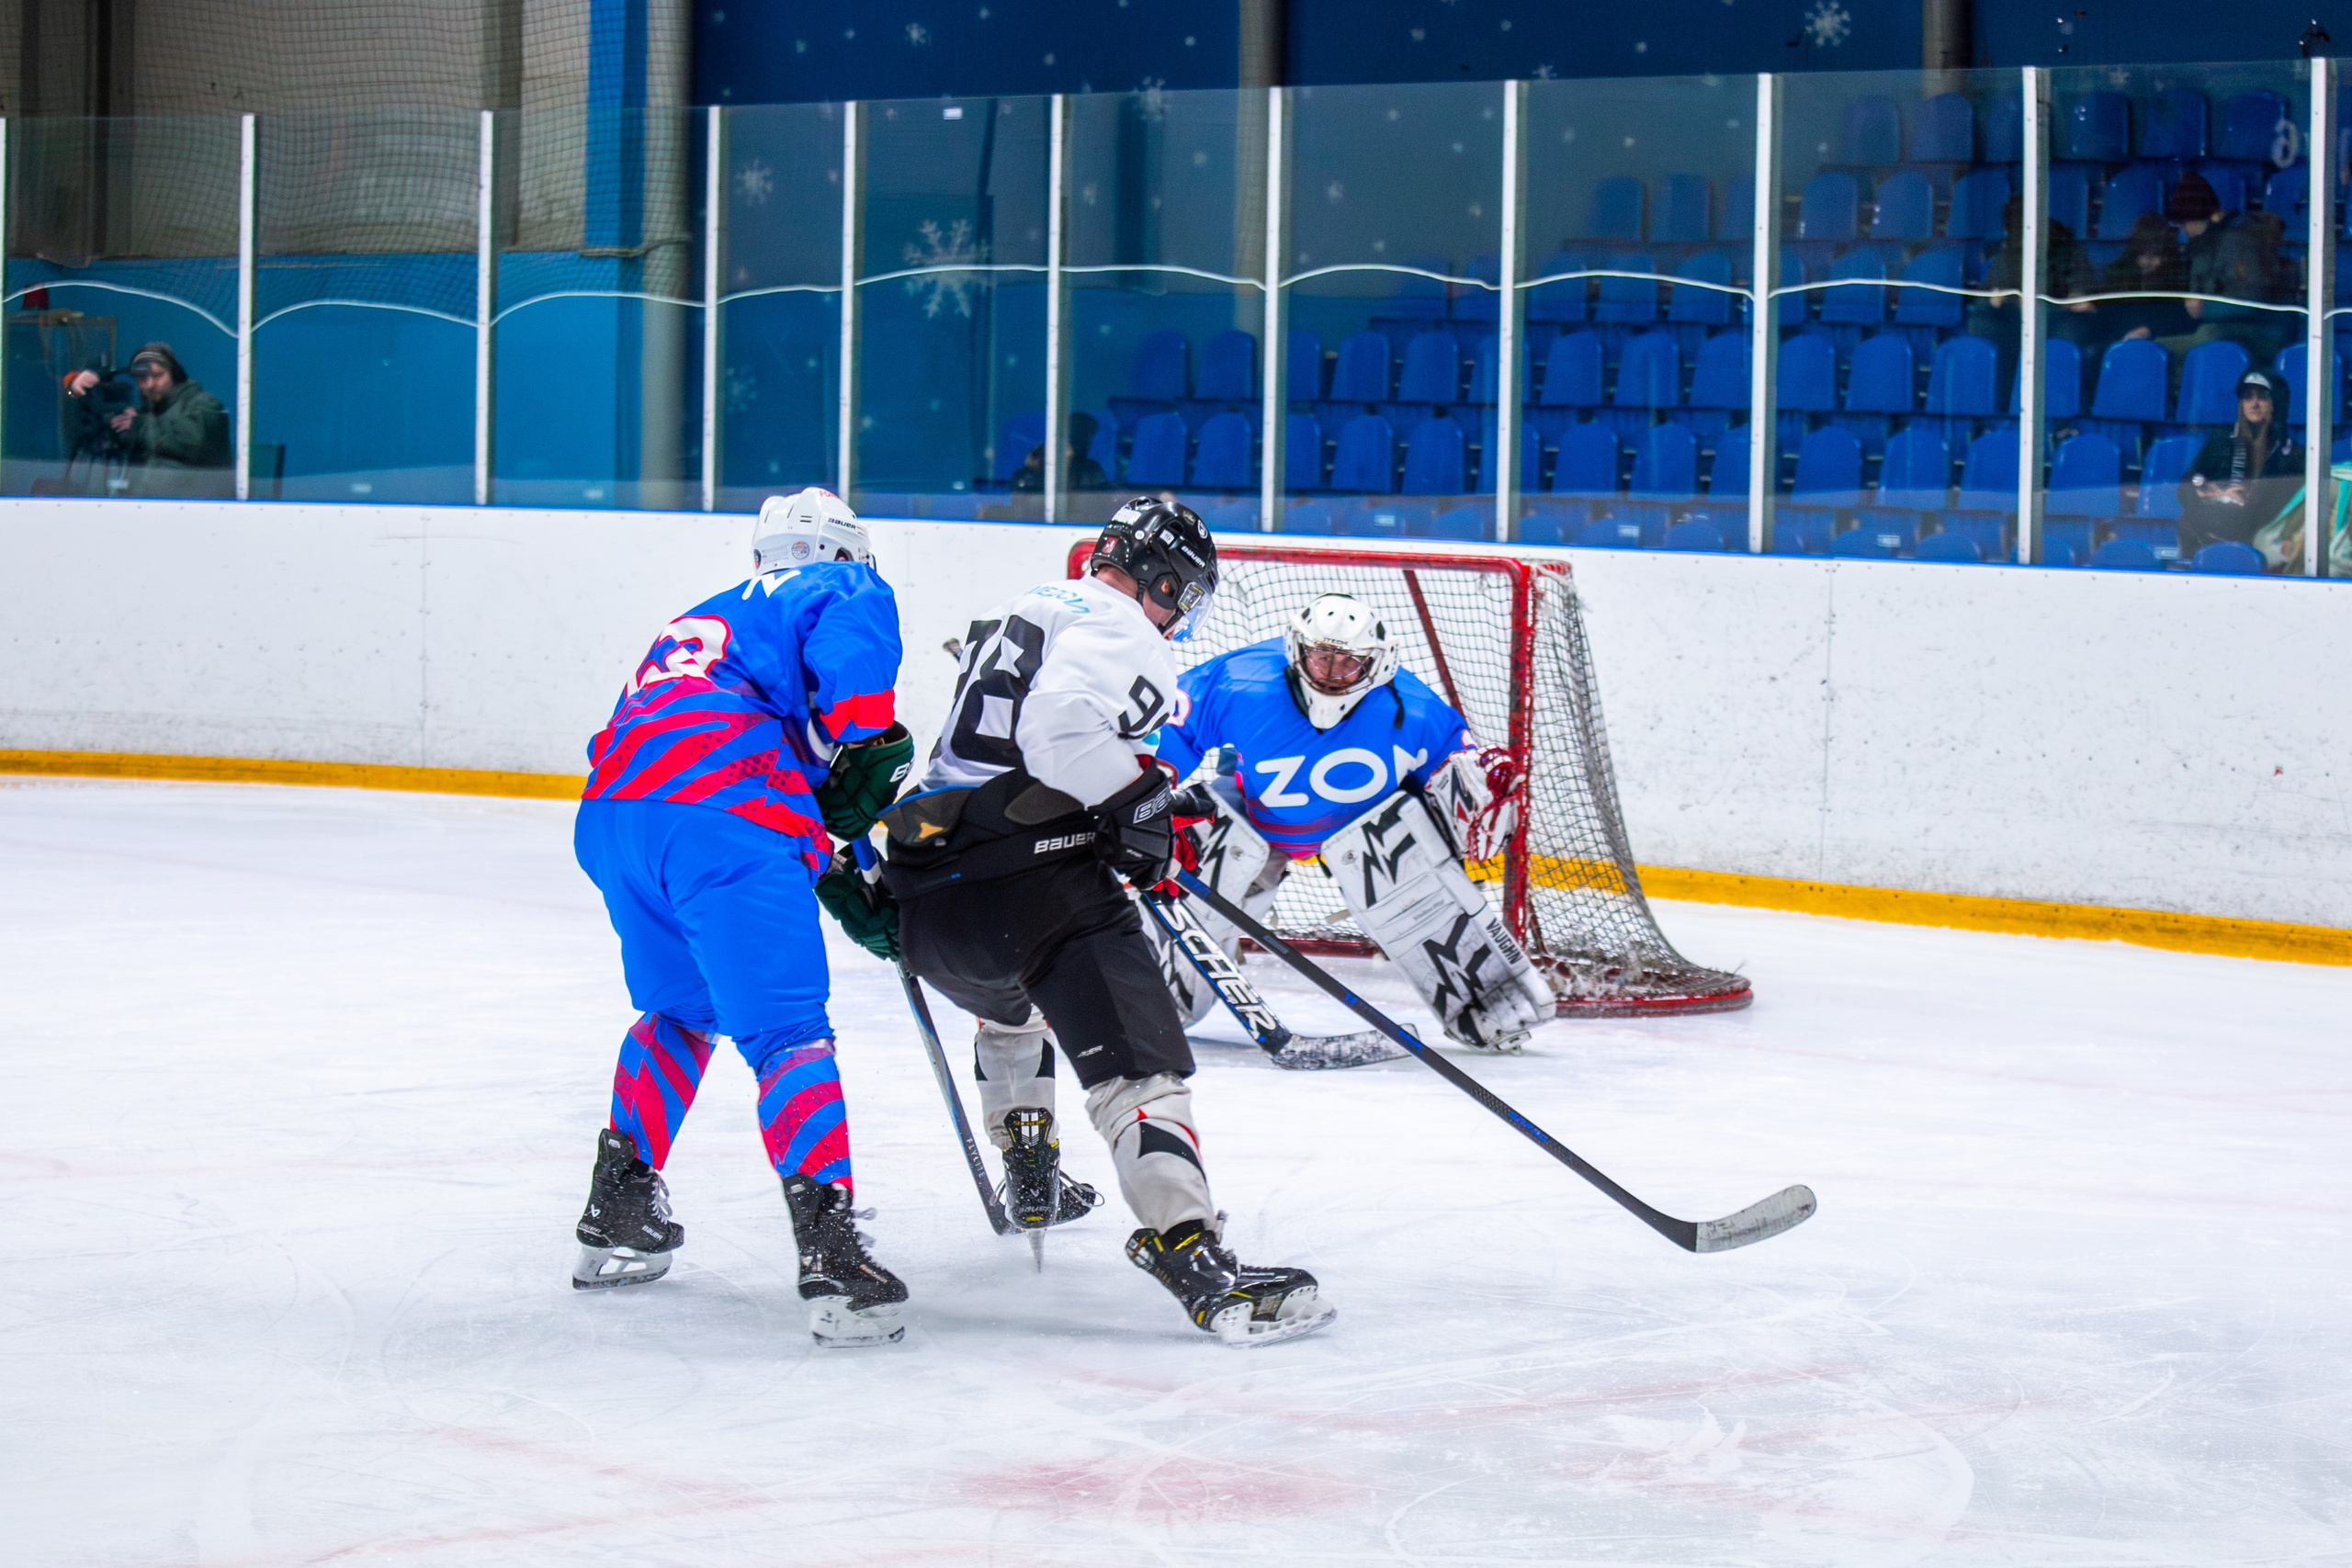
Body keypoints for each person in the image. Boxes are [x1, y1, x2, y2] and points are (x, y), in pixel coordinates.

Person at [870, 497, 1335, 1347]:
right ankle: (1191, 1250)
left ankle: (1031, 1162)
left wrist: (1132, 806)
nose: (1180, 611)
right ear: (1161, 579)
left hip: (927, 901)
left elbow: (1007, 745)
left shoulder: (1037, 604)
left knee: (1015, 999)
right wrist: (1136, 806)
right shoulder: (1128, 627)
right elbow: (1057, 732)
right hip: (1030, 882)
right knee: (1139, 1070)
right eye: (1181, 591)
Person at [569, 486, 920, 1348]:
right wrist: (871, 749)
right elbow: (856, 711)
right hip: (719, 824)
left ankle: (619, 1209)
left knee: (681, 1011)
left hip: (617, 818)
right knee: (789, 1033)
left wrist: (820, 841)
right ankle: (832, 1254)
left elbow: (719, 743)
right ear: (845, 551)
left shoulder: (703, 617)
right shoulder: (843, 589)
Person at [1148, 592, 1555, 1053]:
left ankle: (1489, 1001)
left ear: (1377, 664)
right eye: (1321, 658)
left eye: (1348, 664)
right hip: (1253, 823)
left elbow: (1458, 780)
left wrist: (1481, 796)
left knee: (1402, 851)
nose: (1331, 674)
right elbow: (1171, 729)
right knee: (1215, 847)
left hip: (1363, 834)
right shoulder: (1240, 680)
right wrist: (1147, 803)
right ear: (1297, 651)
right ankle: (1146, 990)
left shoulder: (1413, 709)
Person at [62, 343, 231, 497]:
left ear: (175, 375)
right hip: (147, 510)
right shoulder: (143, 415)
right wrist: (75, 388)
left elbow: (193, 441)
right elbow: (85, 437)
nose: (149, 384)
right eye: (142, 379)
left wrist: (139, 426)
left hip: (196, 513)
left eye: (157, 376)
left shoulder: (206, 404)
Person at [2176, 369, 2303, 562]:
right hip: (2217, 527)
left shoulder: (2291, 454)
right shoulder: (2222, 440)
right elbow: (2185, 488)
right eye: (2247, 397)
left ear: (2276, 404)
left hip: (2264, 535)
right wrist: (2217, 493)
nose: (2253, 404)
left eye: (2262, 397)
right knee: (2186, 522)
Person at [2095, 211, 2195, 346]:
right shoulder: (2116, 272)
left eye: (2157, 255)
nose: (2153, 262)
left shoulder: (2176, 273)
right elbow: (2107, 316)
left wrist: (2150, 330)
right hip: (2120, 344)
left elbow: (2181, 316)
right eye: (2145, 254)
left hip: (2162, 342)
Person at [1011, 412, 1109, 494]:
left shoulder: (1092, 470)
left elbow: (1099, 499)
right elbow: (1019, 491)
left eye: (1087, 437)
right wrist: (1031, 468)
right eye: (1077, 433)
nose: (1082, 441)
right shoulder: (1041, 464)